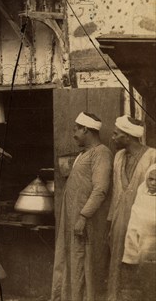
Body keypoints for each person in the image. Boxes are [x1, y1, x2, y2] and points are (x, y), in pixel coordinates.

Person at [51, 112, 113, 301]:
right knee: (72, 260)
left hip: (85, 221)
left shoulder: (101, 153)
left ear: (86, 129)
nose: (73, 134)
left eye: (76, 129)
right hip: (74, 220)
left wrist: (84, 216)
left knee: (83, 261)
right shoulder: (84, 153)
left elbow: (100, 189)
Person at [107, 115, 156, 301]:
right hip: (120, 220)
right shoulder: (118, 157)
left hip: (144, 223)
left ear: (127, 136)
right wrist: (110, 221)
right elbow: (115, 192)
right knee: (117, 261)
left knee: (143, 265)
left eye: (116, 134)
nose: (112, 137)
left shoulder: (152, 155)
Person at [122, 163, 156, 300]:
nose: (153, 183)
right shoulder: (141, 194)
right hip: (143, 251)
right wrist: (131, 254)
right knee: (146, 285)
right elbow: (134, 225)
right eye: (151, 179)